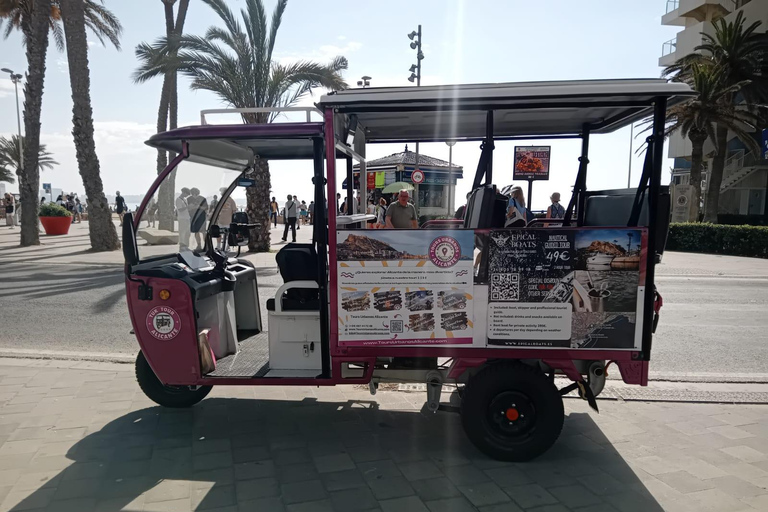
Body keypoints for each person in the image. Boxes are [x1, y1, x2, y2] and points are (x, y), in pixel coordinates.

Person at [188, 187, 208, 252]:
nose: (194, 195)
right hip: (193, 217)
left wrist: (199, 207)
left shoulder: (202, 199)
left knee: (203, 231)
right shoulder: (189, 199)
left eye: (195, 193)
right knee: (196, 231)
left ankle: (207, 245)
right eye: (193, 193)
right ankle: (198, 245)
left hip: (201, 217)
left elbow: (206, 208)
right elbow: (187, 208)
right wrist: (191, 207)